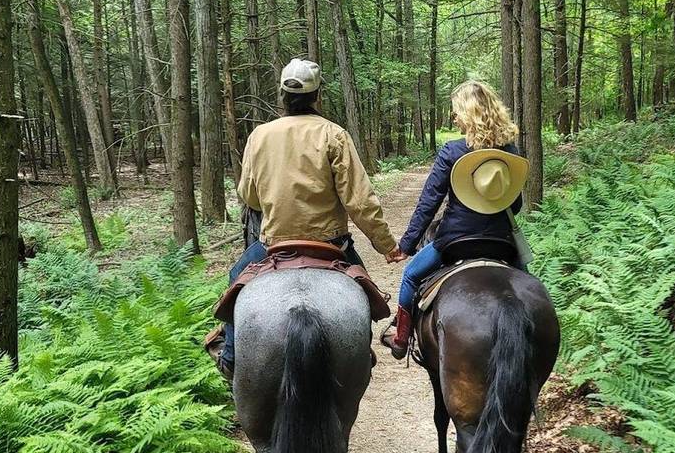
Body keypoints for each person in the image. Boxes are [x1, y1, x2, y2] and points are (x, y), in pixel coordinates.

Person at [208, 57, 405, 379]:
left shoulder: (260, 135)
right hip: (331, 244)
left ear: (283, 95)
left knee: (235, 281)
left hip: (274, 243)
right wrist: (386, 245)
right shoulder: (333, 134)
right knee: (369, 299)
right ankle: (359, 356)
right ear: (317, 96)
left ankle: (230, 358)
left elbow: (249, 195)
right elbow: (359, 201)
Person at [382, 80, 528, 359]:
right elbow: (516, 205)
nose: (454, 117)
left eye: (456, 111)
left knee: (411, 276)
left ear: (469, 113)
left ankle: (401, 338)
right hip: (502, 242)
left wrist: (407, 245)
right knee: (532, 287)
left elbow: (429, 202)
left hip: (455, 241)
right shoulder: (510, 152)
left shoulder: (452, 151)